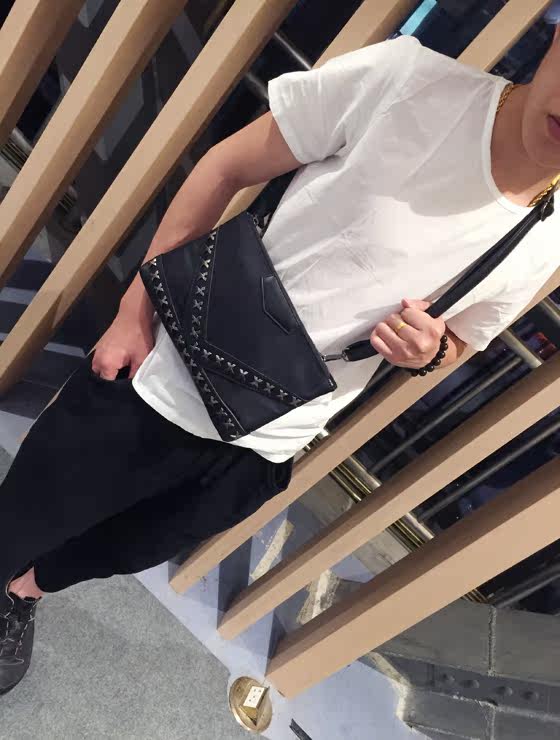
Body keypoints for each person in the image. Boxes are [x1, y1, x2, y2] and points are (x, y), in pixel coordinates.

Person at [2, 15, 560, 695]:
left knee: (124, 548)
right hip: (169, 370)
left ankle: (22, 592)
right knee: (27, 511)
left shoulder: (547, 238)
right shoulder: (408, 81)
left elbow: (460, 341)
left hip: (268, 443)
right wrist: (134, 310)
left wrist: (428, 351)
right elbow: (227, 166)